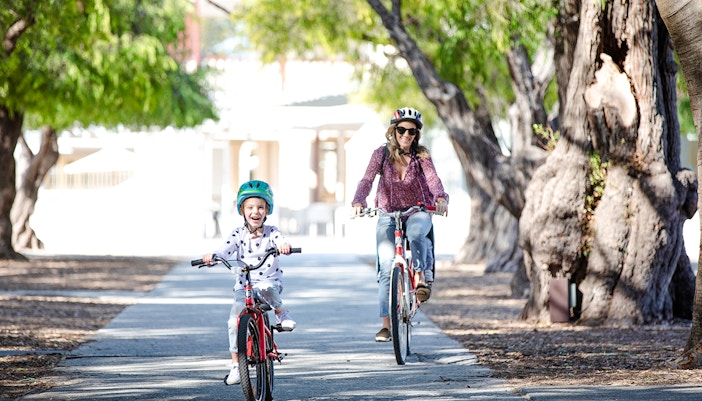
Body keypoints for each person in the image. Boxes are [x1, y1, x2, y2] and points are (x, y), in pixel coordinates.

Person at [351, 107, 449, 343]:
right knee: (386, 268)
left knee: (416, 234)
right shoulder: (381, 154)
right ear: (393, 131)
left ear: (417, 135)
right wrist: (358, 199)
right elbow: (366, 179)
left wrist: (441, 197)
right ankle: (386, 324)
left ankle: (423, 277)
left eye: (412, 131)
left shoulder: (421, 156)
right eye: (402, 130)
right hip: (387, 212)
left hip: (418, 209)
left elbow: (433, 180)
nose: (406, 135)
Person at [202, 180, 296, 385]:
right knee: (233, 321)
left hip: (269, 282)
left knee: (266, 287)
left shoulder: (272, 232)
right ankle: (236, 366)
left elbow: (281, 240)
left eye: (261, 207)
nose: (256, 212)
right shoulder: (237, 234)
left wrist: (284, 246)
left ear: (267, 210)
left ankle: (281, 314)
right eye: (250, 207)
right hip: (244, 286)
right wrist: (212, 257)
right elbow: (223, 251)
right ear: (242, 210)